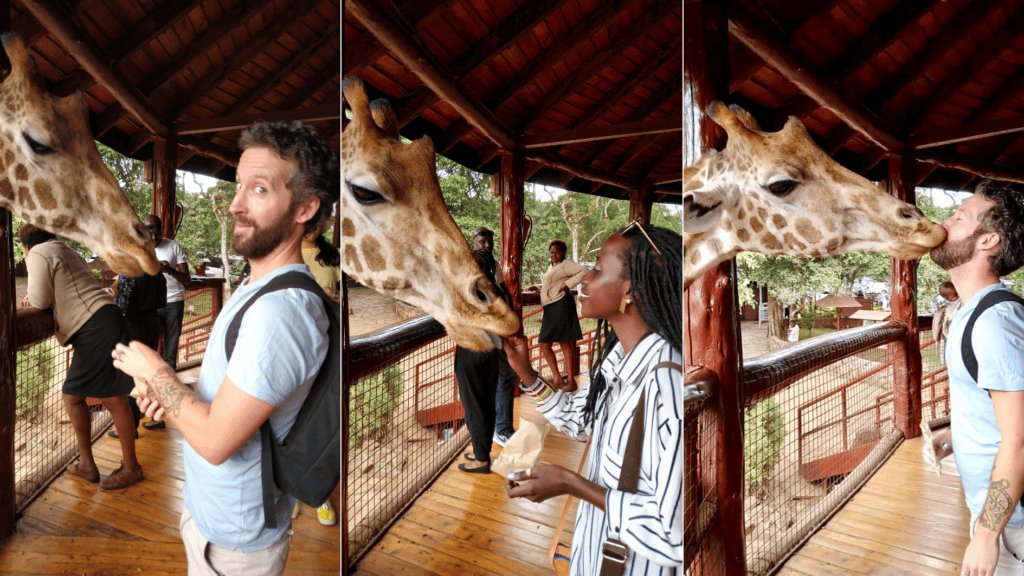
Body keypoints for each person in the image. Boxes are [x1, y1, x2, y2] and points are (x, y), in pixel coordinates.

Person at [111, 120, 336, 575]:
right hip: (211, 515)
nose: (235, 206)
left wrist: (158, 373)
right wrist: (174, 397)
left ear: (304, 209)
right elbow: (235, 391)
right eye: (238, 188)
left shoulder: (281, 314)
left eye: (259, 190)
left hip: (237, 543)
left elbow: (216, 441)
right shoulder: (259, 286)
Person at [502, 223, 682, 575]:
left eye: (598, 268)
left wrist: (571, 484)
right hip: (592, 556)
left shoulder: (667, 385)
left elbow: (673, 535)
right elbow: (586, 424)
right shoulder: (617, 361)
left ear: (631, 288)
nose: (584, 280)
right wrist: (527, 373)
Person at [928, 180, 1024, 576]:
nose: (944, 222)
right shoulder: (971, 311)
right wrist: (955, 437)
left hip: (1009, 525)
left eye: (959, 216)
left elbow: (1019, 439)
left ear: (988, 240)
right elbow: (997, 413)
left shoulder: (994, 324)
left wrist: (985, 536)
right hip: (993, 511)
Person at [19, 224, 144, 490]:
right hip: (105, 317)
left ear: (26, 246)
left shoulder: (39, 253)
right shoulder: (65, 249)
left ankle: (127, 467)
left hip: (93, 325)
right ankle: (93, 464)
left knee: (104, 398)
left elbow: (40, 300)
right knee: (87, 396)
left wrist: (31, 297)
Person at [292, 218, 340, 525]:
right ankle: (293, 491)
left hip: (322, 344)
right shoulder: (287, 251)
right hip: (292, 344)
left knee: (318, 423)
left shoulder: (331, 254)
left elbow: (333, 298)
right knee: (292, 422)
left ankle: (320, 494)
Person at [471, 227, 518, 446]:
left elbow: (504, 291)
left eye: (490, 242)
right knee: (482, 383)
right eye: (483, 242)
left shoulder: (494, 264)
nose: (487, 246)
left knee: (506, 375)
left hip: (496, 329)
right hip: (477, 333)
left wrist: (512, 323)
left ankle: (501, 428)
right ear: (473, 242)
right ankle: (494, 429)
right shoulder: (467, 264)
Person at [106, 269, 167, 439]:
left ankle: (130, 427)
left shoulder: (128, 272)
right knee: (148, 373)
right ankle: (157, 417)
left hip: (134, 324)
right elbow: (162, 300)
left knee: (131, 375)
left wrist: (115, 294)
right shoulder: (155, 270)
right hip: (153, 322)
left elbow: (123, 303)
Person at [525, 239, 586, 392]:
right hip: (551, 308)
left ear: (563, 252)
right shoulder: (553, 265)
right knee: (544, 345)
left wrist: (568, 285)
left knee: (564, 343)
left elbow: (584, 271)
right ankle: (558, 379)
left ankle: (571, 381)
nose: (553, 255)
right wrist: (536, 287)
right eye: (551, 253)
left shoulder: (566, 263)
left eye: (556, 252)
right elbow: (551, 284)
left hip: (561, 305)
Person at [145, 215, 191, 379]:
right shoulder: (140, 248)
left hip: (174, 302)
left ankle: (170, 388)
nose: (154, 238)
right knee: (149, 347)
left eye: (158, 234)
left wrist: (169, 270)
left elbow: (187, 279)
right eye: (150, 234)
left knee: (171, 348)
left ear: (162, 230)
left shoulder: (173, 246)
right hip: (151, 304)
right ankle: (151, 387)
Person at [301, 217, 340, 302]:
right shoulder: (283, 259)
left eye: (314, 219)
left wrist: (332, 294)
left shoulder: (334, 255)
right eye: (306, 221)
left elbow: (351, 298)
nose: (311, 225)